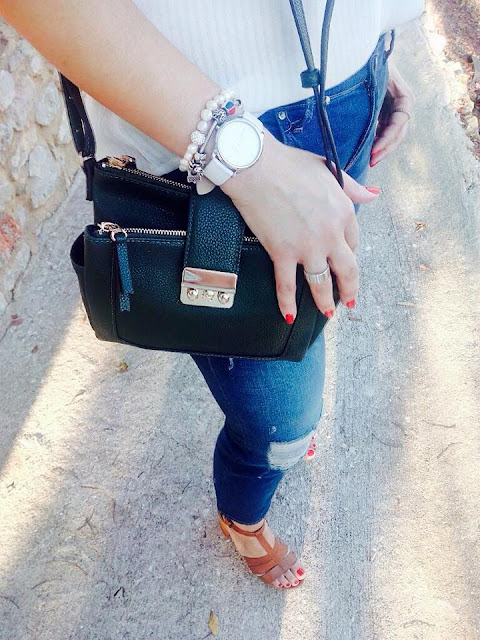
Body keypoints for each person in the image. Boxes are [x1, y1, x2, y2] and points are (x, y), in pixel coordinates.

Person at [0, 0, 424, 589]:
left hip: (348, 91)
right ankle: (244, 513)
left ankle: (270, 439)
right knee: (282, 420)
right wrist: (247, 160)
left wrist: (370, 39)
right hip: (209, 138)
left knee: (305, 311)